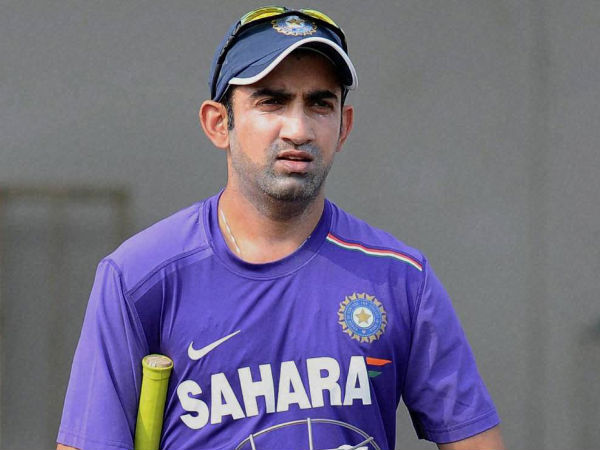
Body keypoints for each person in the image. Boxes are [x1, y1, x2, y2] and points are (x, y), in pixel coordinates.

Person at [57, 6, 505, 450]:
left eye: (320, 104)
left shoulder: (399, 277)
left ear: (343, 127)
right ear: (218, 123)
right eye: (271, 101)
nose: (298, 128)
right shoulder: (140, 276)